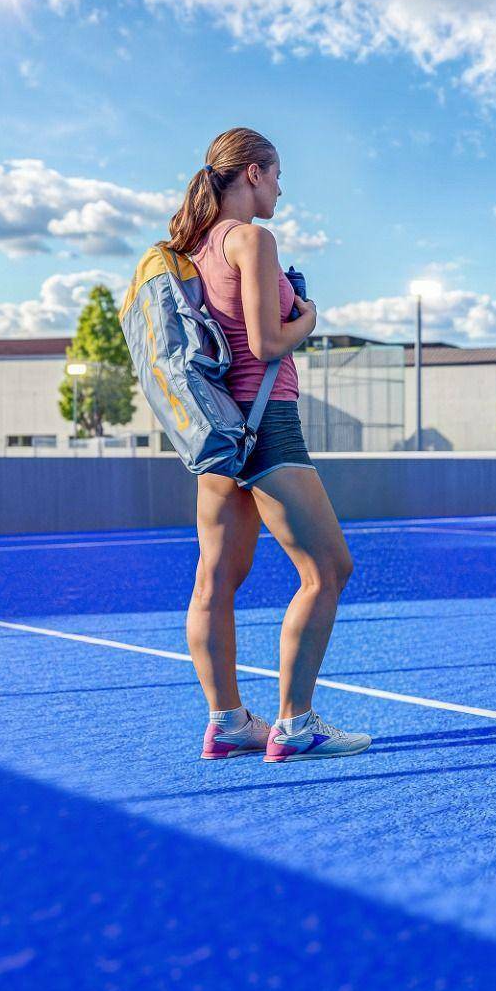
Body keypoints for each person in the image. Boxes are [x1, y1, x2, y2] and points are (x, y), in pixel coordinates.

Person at [165, 127, 370, 762]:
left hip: (220, 428)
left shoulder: (196, 249)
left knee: (215, 580)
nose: (280, 189)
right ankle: (296, 723)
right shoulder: (252, 238)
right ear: (252, 173)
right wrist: (306, 317)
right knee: (329, 568)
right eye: (277, 176)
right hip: (267, 421)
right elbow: (265, 344)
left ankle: (227, 721)